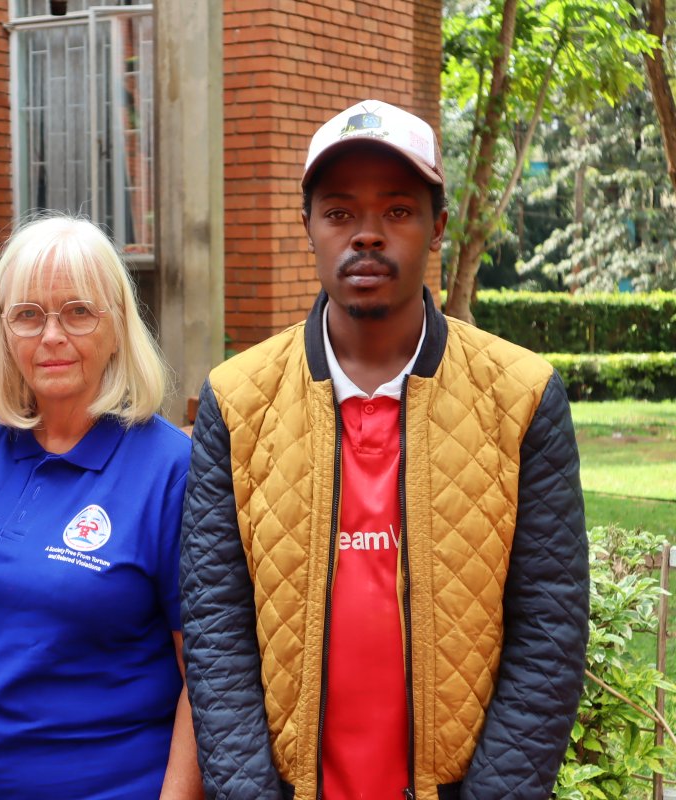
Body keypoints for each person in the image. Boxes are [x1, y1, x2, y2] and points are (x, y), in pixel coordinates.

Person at [180, 100, 589, 799]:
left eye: (397, 211)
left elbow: (549, 624)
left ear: (438, 227)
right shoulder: (238, 400)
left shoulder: (521, 397)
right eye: (340, 212)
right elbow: (216, 623)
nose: (367, 235)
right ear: (306, 224)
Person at [0, 216, 201, 800]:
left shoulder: (171, 469)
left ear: (117, 327)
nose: (51, 335)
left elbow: (202, 674)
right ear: (4, 332)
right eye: (28, 314)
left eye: (78, 311)